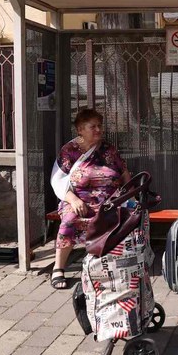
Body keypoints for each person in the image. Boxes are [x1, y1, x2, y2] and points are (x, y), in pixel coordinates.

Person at [49, 109, 131, 289]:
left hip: (109, 200)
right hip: (78, 200)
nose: (98, 130)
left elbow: (124, 172)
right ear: (80, 129)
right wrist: (73, 200)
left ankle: (108, 264)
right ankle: (58, 268)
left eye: (99, 126)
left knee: (121, 217)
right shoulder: (69, 151)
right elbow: (57, 180)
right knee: (70, 220)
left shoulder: (108, 149)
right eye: (92, 126)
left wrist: (129, 194)